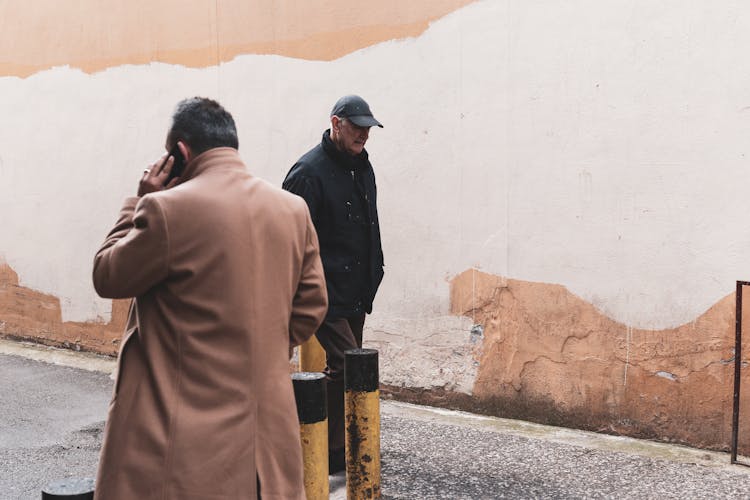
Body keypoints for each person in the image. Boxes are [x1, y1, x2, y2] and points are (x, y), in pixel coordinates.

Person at [92, 97, 327, 499]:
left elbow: (108, 275)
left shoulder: (164, 210)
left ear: (180, 153)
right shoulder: (292, 209)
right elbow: (311, 306)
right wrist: (260, 340)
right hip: (267, 437)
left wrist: (136, 202)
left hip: (184, 440)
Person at [282, 94, 385, 473]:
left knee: (348, 371)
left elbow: (368, 224)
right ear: (336, 123)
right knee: (346, 365)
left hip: (356, 288)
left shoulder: (362, 166)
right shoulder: (308, 172)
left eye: (367, 128)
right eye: (356, 127)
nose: (363, 135)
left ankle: (336, 450)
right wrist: (296, 289)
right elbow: (287, 234)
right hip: (321, 289)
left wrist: (375, 271)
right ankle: (306, 442)